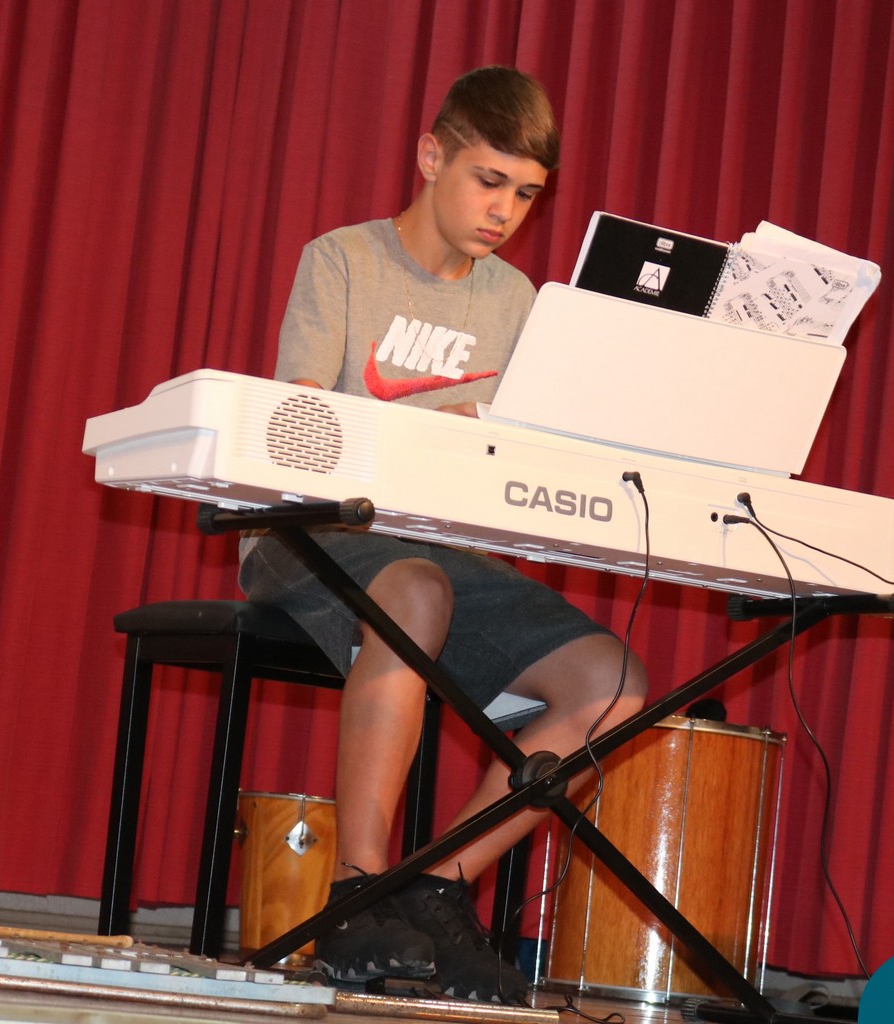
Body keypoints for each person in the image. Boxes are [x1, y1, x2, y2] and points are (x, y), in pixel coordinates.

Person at [238, 66, 649, 1002]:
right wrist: (443, 435)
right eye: (488, 180)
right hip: (311, 533)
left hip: (440, 550)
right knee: (417, 589)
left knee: (613, 682)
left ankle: (434, 889)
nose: (504, 210)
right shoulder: (343, 260)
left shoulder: (522, 302)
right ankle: (355, 891)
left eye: (527, 194)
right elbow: (299, 429)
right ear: (432, 156)